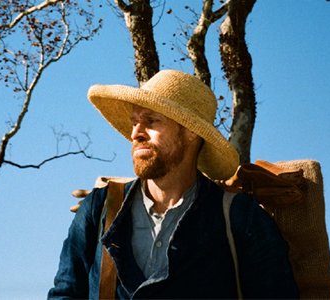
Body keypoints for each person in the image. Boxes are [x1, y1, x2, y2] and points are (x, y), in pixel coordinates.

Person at [48, 70, 298, 299]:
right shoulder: (99, 207)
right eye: (135, 121)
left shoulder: (240, 217)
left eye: (151, 120)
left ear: (191, 132)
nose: (136, 133)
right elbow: (65, 294)